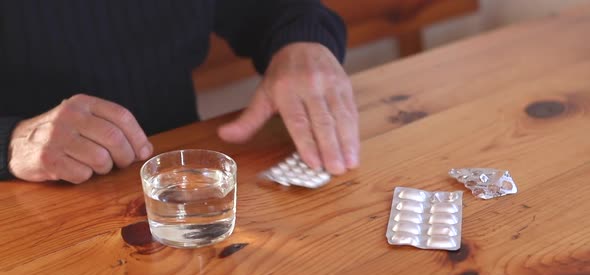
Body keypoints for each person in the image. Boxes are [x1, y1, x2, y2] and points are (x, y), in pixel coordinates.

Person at [0, 0, 359, 184]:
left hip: (181, 182)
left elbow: (275, 8)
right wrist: (12, 141)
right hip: (28, 207)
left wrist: (303, 43)